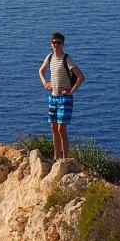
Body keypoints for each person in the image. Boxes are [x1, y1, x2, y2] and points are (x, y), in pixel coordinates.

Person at [38, 32, 85, 160]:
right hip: (53, 97)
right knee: (54, 128)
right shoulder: (49, 57)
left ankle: (65, 159)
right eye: (54, 42)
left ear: (63, 44)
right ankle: (56, 157)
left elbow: (81, 77)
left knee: (61, 130)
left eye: (59, 42)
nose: (56, 45)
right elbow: (41, 70)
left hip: (65, 98)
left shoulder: (67, 59)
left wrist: (71, 91)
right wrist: (45, 83)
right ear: (51, 43)